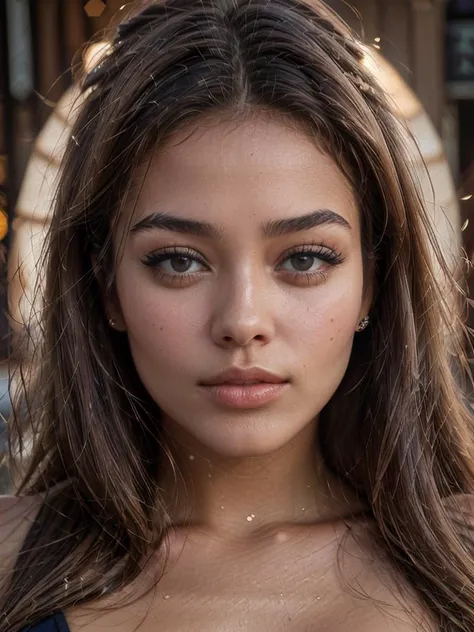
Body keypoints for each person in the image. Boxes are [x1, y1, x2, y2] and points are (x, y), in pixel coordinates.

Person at [1, 0, 474, 630]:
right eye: (177, 262)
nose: (242, 320)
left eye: (305, 258)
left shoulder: (461, 562)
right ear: (106, 286)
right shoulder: (9, 558)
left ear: (372, 283)